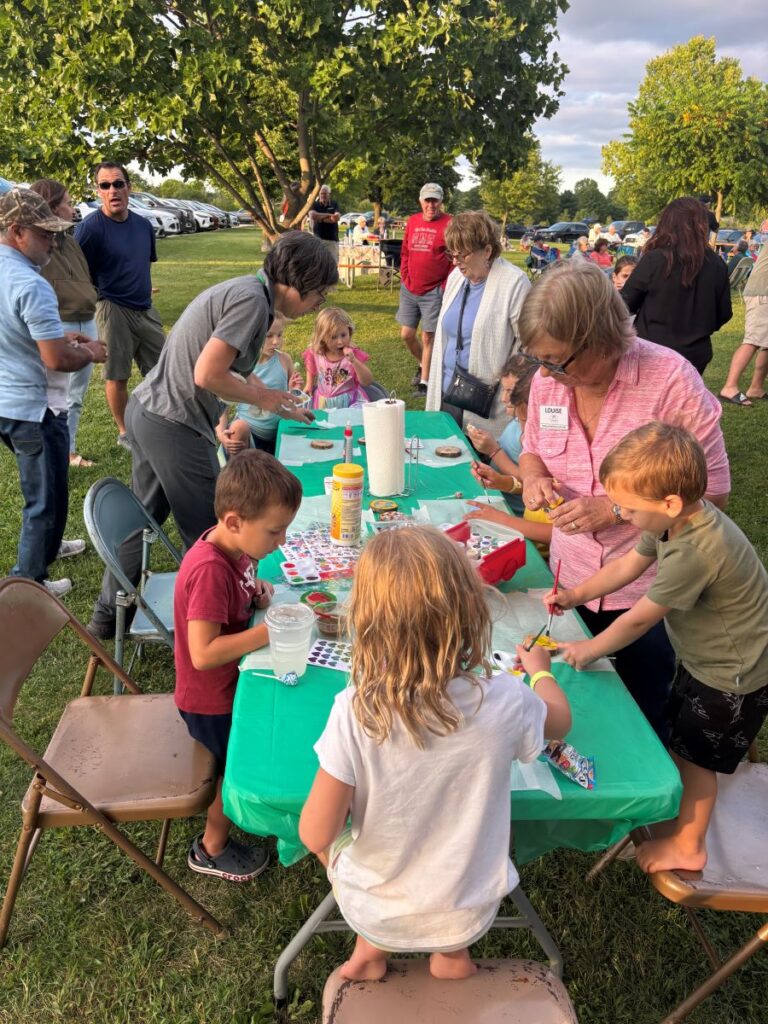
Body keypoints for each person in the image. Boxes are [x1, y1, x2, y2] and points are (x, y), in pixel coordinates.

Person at [299, 525, 571, 981]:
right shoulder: (506, 697)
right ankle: (451, 960)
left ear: (366, 622)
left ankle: (369, 952)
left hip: (374, 908)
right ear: (471, 611)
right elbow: (559, 722)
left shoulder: (355, 709)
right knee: (449, 883)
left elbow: (314, 834)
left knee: (350, 852)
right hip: (467, 906)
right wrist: (540, 673)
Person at [516, 260, 730, 741]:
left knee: (641, 716)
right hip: (570, 584)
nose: (547, 373)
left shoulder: (670, 380)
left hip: (648, 598)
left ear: (600, 339)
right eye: (539, 360)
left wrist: (614, 510)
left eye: (558, 361)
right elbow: (532, 449)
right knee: (575, 711)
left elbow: (714, 492)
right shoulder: (550, 381)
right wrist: (533, 477)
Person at [88, 230, 336, 639]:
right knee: (216, 530)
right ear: (299, 282)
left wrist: (277, 400)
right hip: (173, 422)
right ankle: (223, 628)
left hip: (150, 411)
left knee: (143, 518)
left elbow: (236, 367)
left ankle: (106, 618)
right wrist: (265, 398)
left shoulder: (251, 292)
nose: (316, 306)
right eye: (319, 295)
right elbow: (208, 374)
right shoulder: (252, 302)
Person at [548, 423, 768, 874]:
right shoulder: (671, 521)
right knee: (680, 739)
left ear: (669, 502)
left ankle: (690, 845)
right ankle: (681, 819)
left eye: (626, 508)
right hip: (707, 661)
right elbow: (628, 565)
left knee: (696, 759)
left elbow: (640, 618)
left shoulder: (696, 550)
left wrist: (590, 650)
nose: (620, 515)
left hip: (734, 675)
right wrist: (575, 594)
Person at [175, 449, 302, 881]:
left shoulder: (235, 546)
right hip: (211, 700)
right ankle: (211, 846)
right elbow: (203, 652)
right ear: (234, 522)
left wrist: (257, 589)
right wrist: (270, 631)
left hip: (229, 683)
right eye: (275, 531)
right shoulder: (210, 569)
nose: (281, 541)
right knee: (233, 765)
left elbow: (239, 589)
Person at [0, 189, 106, 596]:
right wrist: (90, 352)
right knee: (43, 498)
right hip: (34, 407)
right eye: (45, 234)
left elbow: (17, 328)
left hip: (8, 402)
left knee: (51, 486)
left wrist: (61, 335)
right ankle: (31, 583)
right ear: (17, 231)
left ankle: (49, 547)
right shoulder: (32, 283)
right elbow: (57, 359)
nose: (53, 242)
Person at [74, 161, 166, 449]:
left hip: (145, 307)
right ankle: (125, 432)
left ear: (129, 187)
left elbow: (143, 263)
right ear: (99, 191)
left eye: (118, 183)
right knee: (117, 375)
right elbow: (77, 273)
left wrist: (142, 288)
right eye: (105, 185)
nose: (112, 190)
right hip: (112, 309)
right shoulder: (90, 229)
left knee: (164, 369)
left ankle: (161, 421)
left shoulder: (143, 226)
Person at [425, 210, 530, 436]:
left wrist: (512, 385)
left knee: (479, 455)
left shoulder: (514, 282)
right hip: (446, 391)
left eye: (463, 255)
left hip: (486, 401)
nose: (455, 262)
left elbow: (528, 344)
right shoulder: (456, 277)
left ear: (487, 251)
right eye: (451, 253)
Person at [30, 179, 100, 468]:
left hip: (87, 321)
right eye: (68, 203)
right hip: (59, 325)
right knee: (55, 395)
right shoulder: (36, 245)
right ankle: (51, 453)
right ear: (51, 206)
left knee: (76, 396)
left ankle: (68, 450)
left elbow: (84, 278)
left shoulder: (70, 241)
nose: (73, 209)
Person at [620, 196, 732, 375]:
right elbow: (724, 313)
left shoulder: (655, 260)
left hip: (652, 352)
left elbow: (624, 305)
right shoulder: (717, 264)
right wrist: (698, 328)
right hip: (695, 355)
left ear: (667, 224)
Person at [216, 314, 303, 457]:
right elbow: (223, 406)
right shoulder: (242, 365)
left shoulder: (284, 360)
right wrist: (220, 433)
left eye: (280, 335)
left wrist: (294, 389)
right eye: (269, 336)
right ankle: (237, 468)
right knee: (238, 427)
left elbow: (291, 401)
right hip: (251, 433)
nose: (276, 341)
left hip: (279, 430)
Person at [397, 183, 453, 393]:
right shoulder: (413, 221)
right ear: (421, 201)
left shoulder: (449, 223)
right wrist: (405, 275)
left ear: (441, 201)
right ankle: (424, 364)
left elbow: (453, 258)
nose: (431, 205)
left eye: (435, 200)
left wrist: (444, 286)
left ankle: (425, 382)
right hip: (410, 287)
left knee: (428, 336)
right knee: (406, 334)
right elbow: (405, 251)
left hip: (434, 290)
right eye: (427, 200)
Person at [464, 354, 535, 514]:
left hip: (513, 510)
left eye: (511, 391)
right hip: (498, 498)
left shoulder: (530, 430)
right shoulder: (517, 419)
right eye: (503, 389)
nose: (503, 398)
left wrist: (493, 450)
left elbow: (530, 480)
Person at [719, 221, 768, 406]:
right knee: (753, 341)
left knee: (766, 344)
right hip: (762, 294)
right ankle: (729, 387)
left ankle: (756, 387)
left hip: (763, 294)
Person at [303, 307, 372, 409]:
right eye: (333, 337)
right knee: (325, 419)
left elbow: (367, 381)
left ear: (350, 332)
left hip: (350, 403)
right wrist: (309, 383)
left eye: (343, 335)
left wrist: (354, 361)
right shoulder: (317, 353)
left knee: (348, 420)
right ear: (322, 337)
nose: (340, 342)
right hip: (323, 403)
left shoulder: (353, 355)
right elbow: (311, 365)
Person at [308, 185, 341, 261]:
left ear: (329, 194)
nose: (323, 195)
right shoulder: (314, 204)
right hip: (318, 239)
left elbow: (336, 218)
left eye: (325, 193)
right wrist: (329, 215)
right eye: (321, 193)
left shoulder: (334, 204)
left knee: (333, 262)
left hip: (332, 240)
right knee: (318, 262)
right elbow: (313, 216)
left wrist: (320, 219)